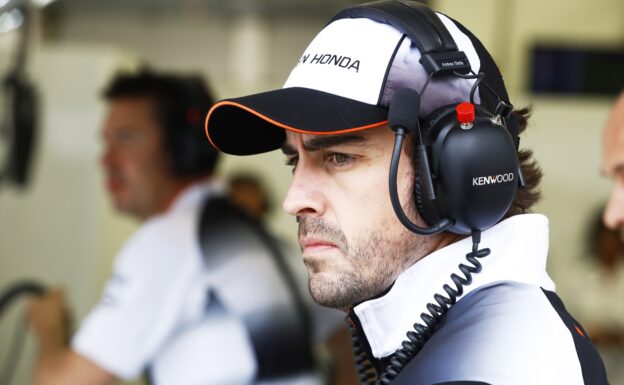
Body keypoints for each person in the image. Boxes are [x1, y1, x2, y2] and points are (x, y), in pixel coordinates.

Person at [204, 1, 609, 384]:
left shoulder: (496, 364)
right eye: (296, 161)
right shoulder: (459, 337)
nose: (294, 200)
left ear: (459, 168)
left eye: (339, 158)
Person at [27, 70, 334, 385]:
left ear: (180, 148)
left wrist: (48, 329)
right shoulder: (264, 239)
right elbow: (346, 341)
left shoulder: (167, 242)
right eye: (106, 141)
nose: (106, 160)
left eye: (126, 138)